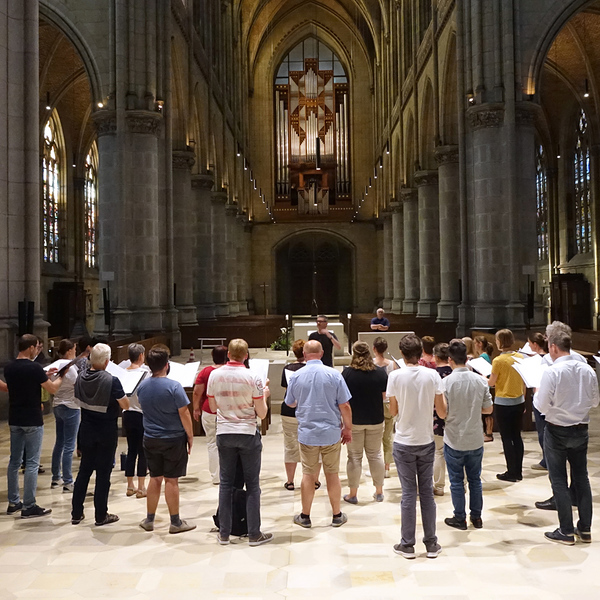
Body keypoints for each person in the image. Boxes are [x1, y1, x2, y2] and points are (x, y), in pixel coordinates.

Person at [536, 323, 599, 545]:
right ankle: (585, 528)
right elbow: (595, 401)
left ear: (553, 347)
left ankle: (565, 530)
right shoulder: (587, 368)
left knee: (559, 480)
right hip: (581, 428)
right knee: (581, 478)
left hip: (557, 430)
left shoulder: (552, 372)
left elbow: (541, 406)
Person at [207, 338, 272, 546]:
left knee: (225, 484)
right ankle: (254, 534)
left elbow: (212, 404)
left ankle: (224, 534)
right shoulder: (254, 376)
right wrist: (265, 396)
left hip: (225, 432)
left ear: (228, 355)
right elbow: (262, 414)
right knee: (253, 485)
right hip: (247, 432)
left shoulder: (214, 375)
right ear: (246, 355)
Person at [387, 334, 443, 559]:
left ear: (401, 353)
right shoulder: (432, 375)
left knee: (408, 493)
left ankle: (407, 544)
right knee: (427, 493)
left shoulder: (395, 376)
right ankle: (431, 544)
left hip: (403, 441)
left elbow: (392, 412)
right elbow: (442, 410)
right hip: (425, 439)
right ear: (421, 353)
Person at [286, 340, 352, 528]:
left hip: (308, 433)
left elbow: (290, 402)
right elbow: (345, 405)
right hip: (331, 432)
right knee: (332, 474)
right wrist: (347, 428)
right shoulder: (334, 375)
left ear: (305, 355)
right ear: (322, 353)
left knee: (308, 474)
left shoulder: (296, 376)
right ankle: (337, 515)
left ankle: (305, 516)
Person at [5, 334, 67, 518]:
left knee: (14, 461)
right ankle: (29, 505)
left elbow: (21, 384)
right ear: (31, 347)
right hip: (32, 418)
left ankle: (13, 502)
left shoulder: (9, 367)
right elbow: (53, 389)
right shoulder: (34, 367)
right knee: (32, 462)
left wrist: (44, 375)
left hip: (15, 417)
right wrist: (61, 376)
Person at [435, 340, 493, 530]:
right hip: (475, 437)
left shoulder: (446, 382)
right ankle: (476, 517)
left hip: (454, 438)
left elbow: (442, 414)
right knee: (475, 479)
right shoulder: (479, 380)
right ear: (466, 358)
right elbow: (488, 409)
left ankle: (459, 517)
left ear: (450, 360)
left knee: (456, 481)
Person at [137, 345, 196, 534]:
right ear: (167, 365)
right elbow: (184, 413)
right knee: (172, 480)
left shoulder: (142, 386)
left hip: (150, 437)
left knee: (155, 478)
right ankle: (175, 522)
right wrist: (190, 435)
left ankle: (149, 519)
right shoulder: (173, 386)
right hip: (172, 439)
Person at [71, 343, 129, 526]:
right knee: (103, 474)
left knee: (84, 471)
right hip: (105, 431)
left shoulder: (81, 377)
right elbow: (125, 405)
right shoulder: (111, 380)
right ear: (106, 361)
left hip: (86, 428)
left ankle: (76, 513)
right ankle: (101, 515)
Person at [342, 341, 387, 504]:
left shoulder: (347, 374)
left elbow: (343, 399)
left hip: (354, 421)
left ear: (354, 353)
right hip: (375, 418)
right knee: (375, 455)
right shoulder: (380, 372)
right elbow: (384, 396)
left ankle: (353, 494)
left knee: (354, 457)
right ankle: (379, 491)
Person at [280, 339, 322, 491]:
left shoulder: (288, 368)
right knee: (314, 446)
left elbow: (287, 392)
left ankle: (290, 481)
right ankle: (315, 480)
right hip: (310, 410)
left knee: (290, 446)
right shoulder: (316, 370)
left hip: (289, 412)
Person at [488, 329, 525, 482]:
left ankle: (511, 472)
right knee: (517, 436)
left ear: (500, 342)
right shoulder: (521, 357)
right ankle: (519, 471)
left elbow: (491, 383)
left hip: (503, 402)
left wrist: (482, 377)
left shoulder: (498, 360)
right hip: (518, 400)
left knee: (506, 438)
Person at [192, 345, 228, 485]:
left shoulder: (206, 371)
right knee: (226, 443)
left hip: (209, 410)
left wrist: (196, 408)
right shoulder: (230, 371)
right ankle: (227, 474)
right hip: (226, 410)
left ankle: (216, 477)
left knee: (212, 443)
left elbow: (197, 392)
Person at [50, 339, 80, 493]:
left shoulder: (54, 365)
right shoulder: (70, 367)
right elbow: (78, 385)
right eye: (74, 349)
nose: (75, 351)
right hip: (71, 406)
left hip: (57, 405)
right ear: (69, 351)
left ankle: (56, 477)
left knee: (60, 442)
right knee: (69, 445)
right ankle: (68, 481)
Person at [123, 343, 150, 498]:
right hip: (141, 414)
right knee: (142, 451)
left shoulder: (123, 372)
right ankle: (141, 487)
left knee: (131, 450)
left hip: (127, 414)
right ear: (141, 356)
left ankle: (129, 486)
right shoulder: (144, 373)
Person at [372, 336, 397, 478]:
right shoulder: (392, 364)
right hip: (388, 403)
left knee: (374, 438)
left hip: (375, 403)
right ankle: (387, 467)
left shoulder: (370, 363)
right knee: (388, 437)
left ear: (374, 349)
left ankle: (378, 467)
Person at [527, 332, 549, 471]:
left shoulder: (536, 360)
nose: (528, 346)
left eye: (529, 343)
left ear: (535, 344)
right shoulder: (550, 358)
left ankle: (547, 461)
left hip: (540, 396)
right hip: (549, 397)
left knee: (543, 431)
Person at [432, 343, 452, 496]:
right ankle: (462, 483)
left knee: (439, 452)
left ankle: (439, 486)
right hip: (455, 419)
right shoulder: (456, 372)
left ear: (436, 357)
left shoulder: (432, 375)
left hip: (436, 418)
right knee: (458, 452)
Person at [474, 335, 495, 442]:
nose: (474, 345)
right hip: (485, 383)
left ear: (480, 344)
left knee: (487, 413)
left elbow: (485, 372)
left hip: (486, 384)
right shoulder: (483, 356)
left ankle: (489, 433)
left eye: (475, 343)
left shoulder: (483, 357)